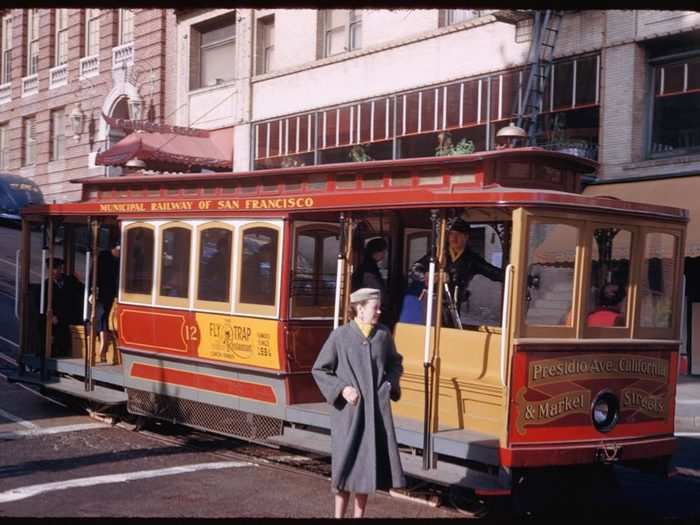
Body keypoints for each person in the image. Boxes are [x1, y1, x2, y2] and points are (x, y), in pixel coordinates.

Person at [312, 288, 406, 518]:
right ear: (360, 309)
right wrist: (342, 389)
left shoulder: (383, 335)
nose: (380, 311)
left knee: (365, 471)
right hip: (348, 415)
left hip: (374, 414)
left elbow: (395, 364)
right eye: (375, 307)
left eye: (379, 307)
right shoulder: (340, 336)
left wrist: (388, 385)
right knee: (344, 470)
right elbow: (320, 369)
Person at [442, 218, 504, 326]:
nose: (454, 238)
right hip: (432, 307)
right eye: (452, 234)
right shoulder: (439, 254)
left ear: (466, 237)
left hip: (454, 308)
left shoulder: (472, 259)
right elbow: (415, 269)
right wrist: (430, 275)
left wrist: (518, 277)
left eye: (459, 235)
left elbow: (494, 273)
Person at [45, 258, 84, 357]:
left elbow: (82, 290)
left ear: (60, 269)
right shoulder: (46, 284)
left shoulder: (70, 280)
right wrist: (51, 315)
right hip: (57, 319)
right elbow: (43, 302)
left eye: (56, 269)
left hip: (71, 317)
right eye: (51, 269)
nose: (53, 272)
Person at [351, 238, 391, 323]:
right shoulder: (369, 269)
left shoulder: (368, 266)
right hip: (367, 309)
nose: (384, 254)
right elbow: (377, 289)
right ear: (376, 252)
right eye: (383, 251)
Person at [96, 242, 120, 363]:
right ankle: (103, 346)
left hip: (114, 295)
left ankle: (103, 347)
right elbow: (95, 274)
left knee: (105, 318)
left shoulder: (118, 261)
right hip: (103, 294)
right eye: (118, 251)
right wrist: (93, 290)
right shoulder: (104, 258)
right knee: (102, 317)